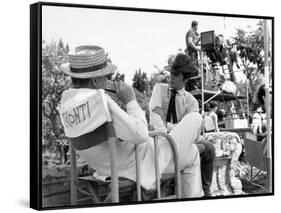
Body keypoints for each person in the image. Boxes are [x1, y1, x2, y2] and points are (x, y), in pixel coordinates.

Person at [58, 45, 203, 199]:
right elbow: (140, 134)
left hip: (107, 167)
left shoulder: (66, 105)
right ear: (94, 81)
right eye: (106, 76)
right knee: (195, 122)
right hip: (141, 164)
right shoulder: (101, 103)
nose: (108, 79)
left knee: (191, 150)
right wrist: (130, 100)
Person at [149, 53, 215, 197]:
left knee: (209, 148)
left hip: (181, 144)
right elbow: (155, 116)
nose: (171, 77)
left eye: (176, 74)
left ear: (185, 78)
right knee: (202, 149)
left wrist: (174, 128)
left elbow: (189, 132)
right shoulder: (159, 89)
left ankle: (206, 191)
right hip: (158, 141)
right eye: (171, 73)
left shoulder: (191, 102)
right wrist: (169, 132)